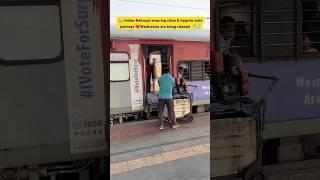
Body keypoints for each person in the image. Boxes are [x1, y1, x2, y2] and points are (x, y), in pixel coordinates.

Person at [157, 65, 180, 130]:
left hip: (161, 97)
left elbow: (159, 85)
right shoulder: (172, 79)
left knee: (160, 111)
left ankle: (161, 125)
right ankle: (174, 124)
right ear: (169, 71)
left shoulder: (160, 78)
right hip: (169, 97)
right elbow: (172, 87)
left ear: (163, 71)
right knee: (171, 111)